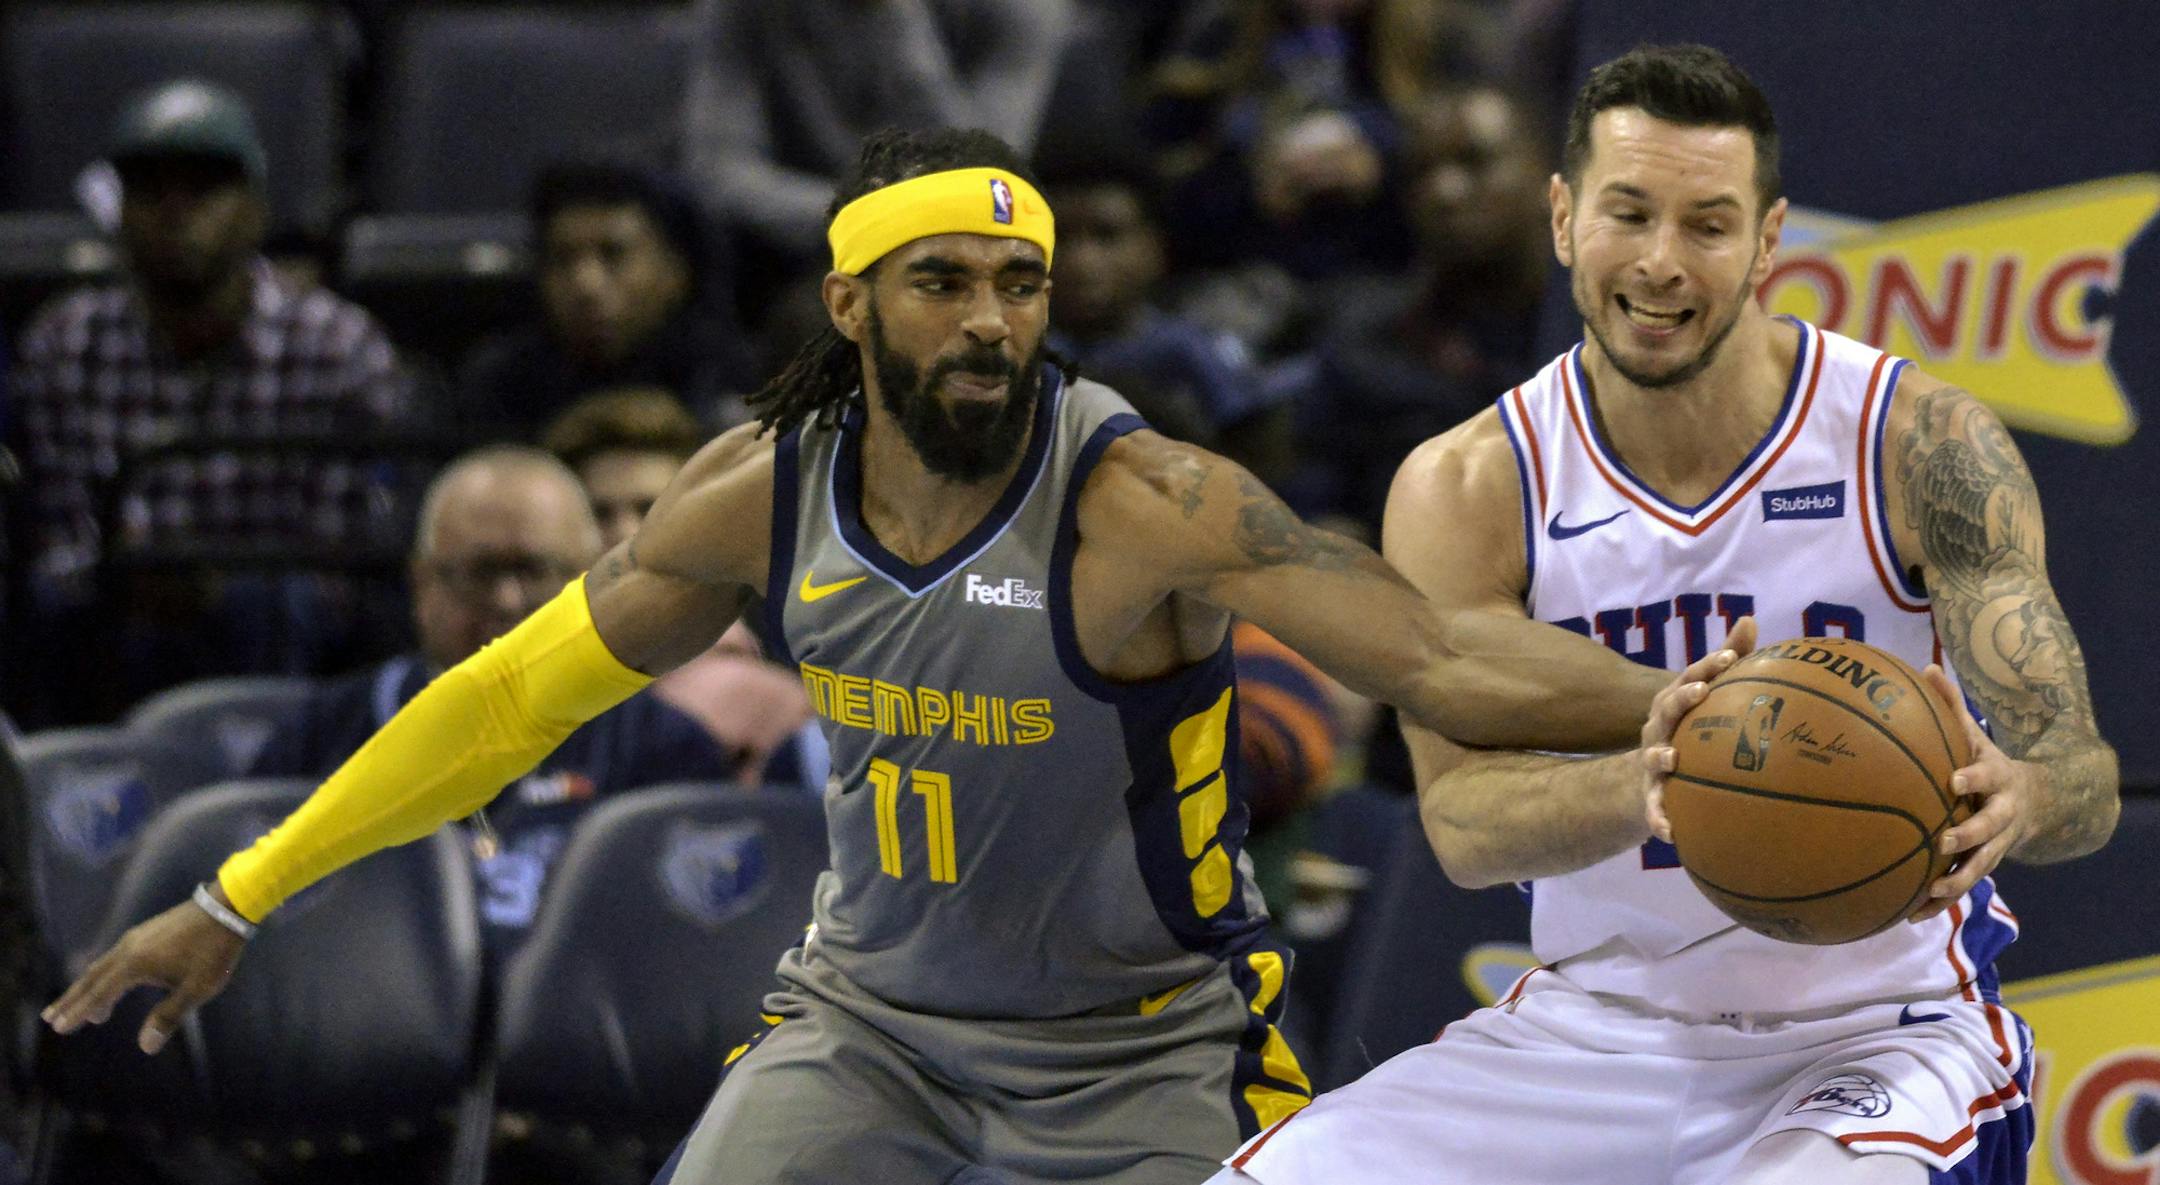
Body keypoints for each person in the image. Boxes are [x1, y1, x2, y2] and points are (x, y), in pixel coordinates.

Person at [47, 127, 1690, 1185]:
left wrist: (1675, 697)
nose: (991, 319)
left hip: (1144, 1051)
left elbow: (1445, 661)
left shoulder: (1150, 500)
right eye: (945, 282)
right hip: (874, 1028)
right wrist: (235, 894)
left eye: (1021, 285)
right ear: (850, 305)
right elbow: (499, 701)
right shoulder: (757, 495)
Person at [1212, 44, 2119, 1185]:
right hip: (1590, 1030)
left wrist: (2026, 795)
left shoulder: (1917, 443)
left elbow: (2080, 772)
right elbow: (1463, 827)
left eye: (1707, 223)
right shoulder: (1471, 485)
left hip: (1884, 1034)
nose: (1660, 263)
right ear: (1562, 215)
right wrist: (1647, 783)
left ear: (1770, 239)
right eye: (1628, 213)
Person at [11, 79, 411, 716]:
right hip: (111, 639)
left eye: (204, 190)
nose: (176, 211)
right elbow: (58, 544)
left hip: (287, 661)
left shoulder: (339, 348)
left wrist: (217, 590)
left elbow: (349, 578)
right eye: (151, 190)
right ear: (118, 213)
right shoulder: (65, 345)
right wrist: (128, 577)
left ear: (254, 208)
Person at [247, 446, 735, 962]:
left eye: (536, 570)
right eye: (480, 573)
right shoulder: (317, 740)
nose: (507, 601)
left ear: (593, 581)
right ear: (420, 583)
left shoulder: (666, 750)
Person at [1289, 83, 1550, 528]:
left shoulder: (1619, 336)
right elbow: (1320, 511)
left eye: (1475, 162)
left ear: (1549, 177)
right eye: (1420, 173)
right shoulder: (1364, 349)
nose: (1444, 191)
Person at [542, 388, 822, 787]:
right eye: (599, 512)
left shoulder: (776, 708)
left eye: (649, 509)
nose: (624, 533)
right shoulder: (527, 687)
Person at [682, 0, 1074, 262]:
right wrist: (866, 221)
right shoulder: (743, 10)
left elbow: (979, 176)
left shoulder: (1020, 10)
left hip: (975, 240)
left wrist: (903, 35)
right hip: (811, 245)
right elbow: (718, 172)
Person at [1043, 156, 1295, 486]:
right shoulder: (1024, 354)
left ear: (1154, 248)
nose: (1081, 262)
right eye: (1059, 238)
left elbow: (1261, 470)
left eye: (1107, 236)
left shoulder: (1191, 351)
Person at [459, 163, 756, 437]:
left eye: (613, 254)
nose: (585, 283)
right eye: (562, 258)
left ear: (676, 271)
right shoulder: (501, 387)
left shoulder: (735, 382)